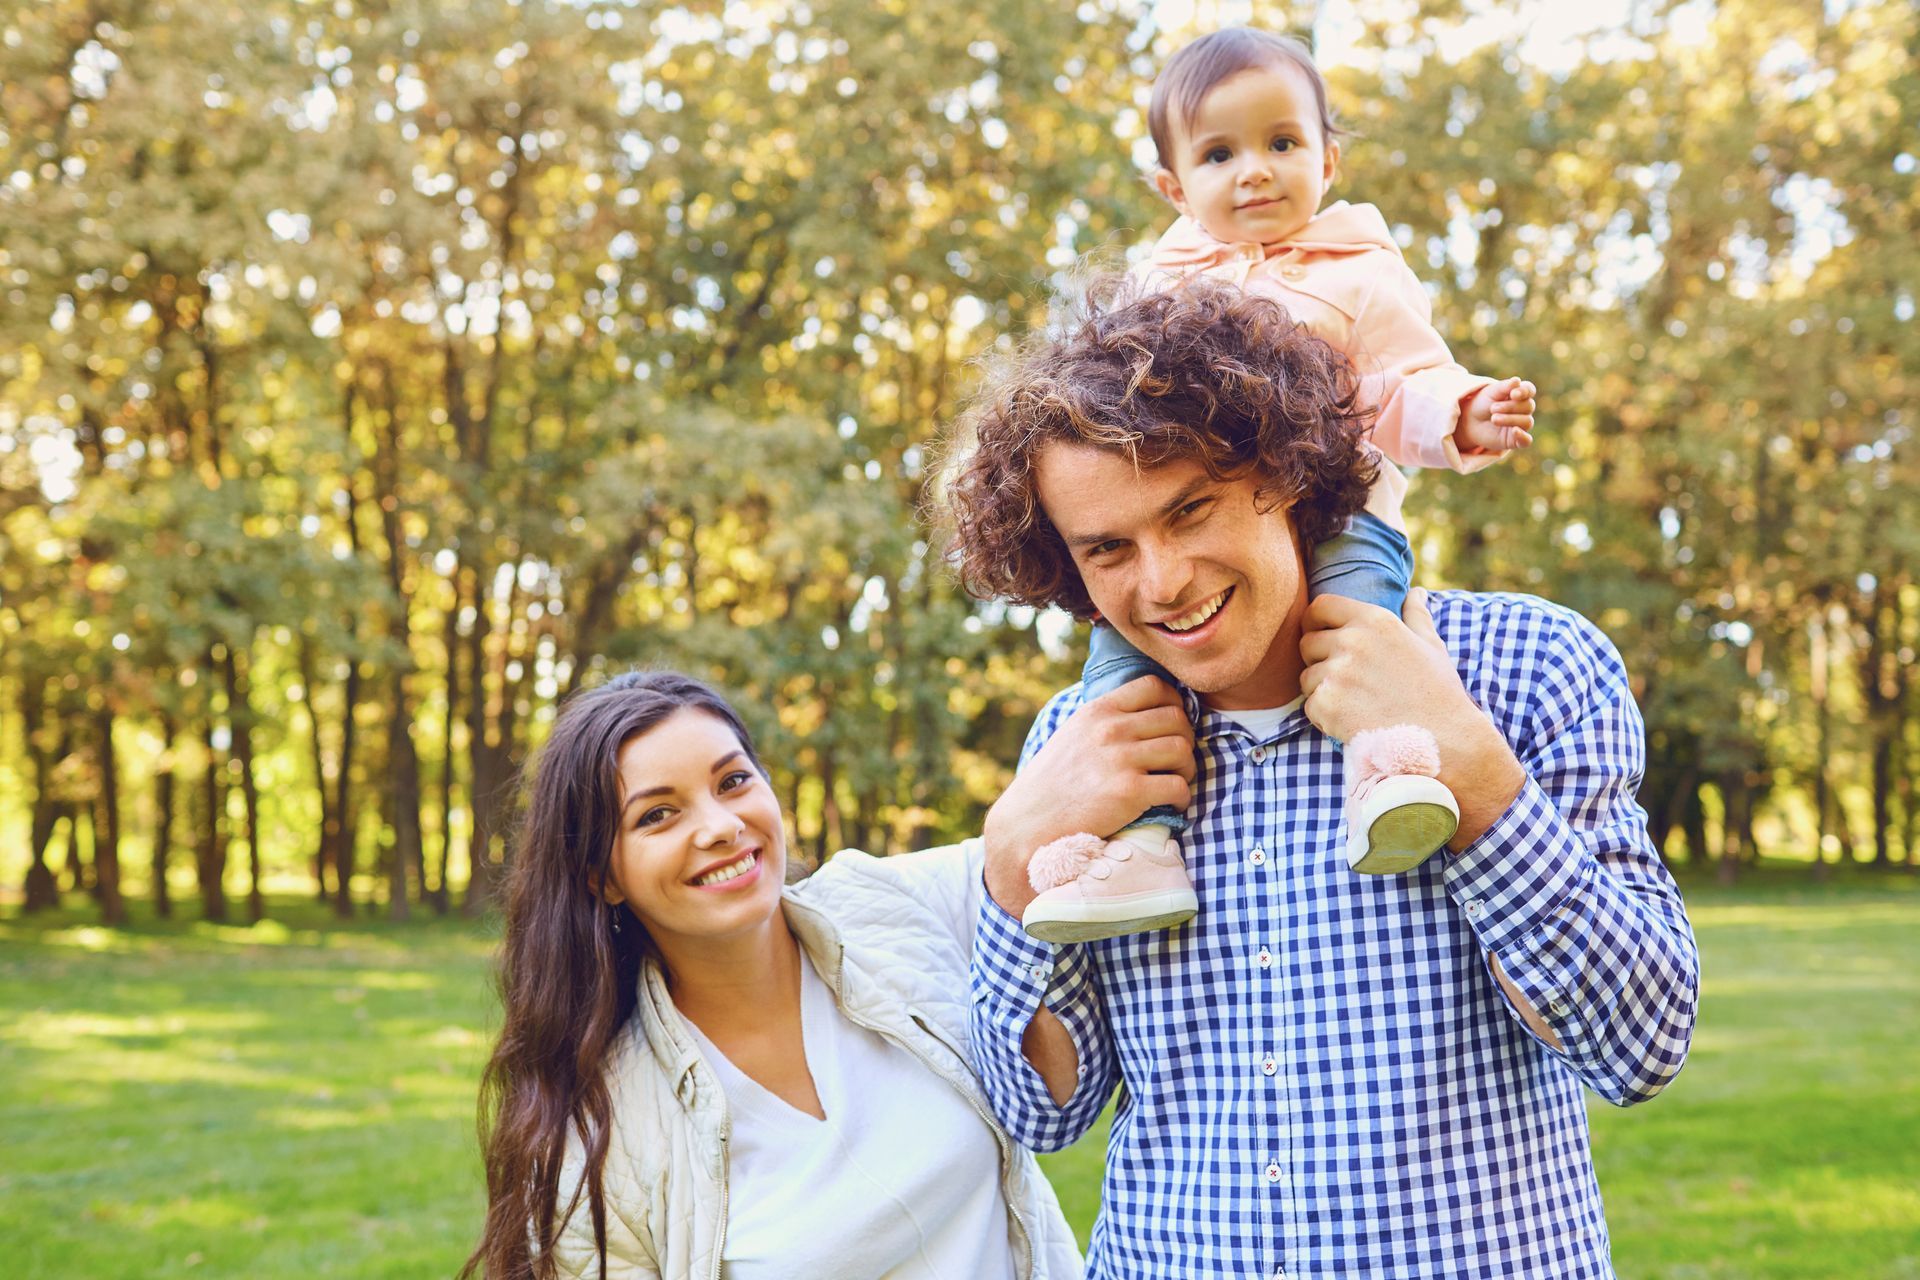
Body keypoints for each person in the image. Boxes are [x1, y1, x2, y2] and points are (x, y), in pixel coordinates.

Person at [939, 279, 1699, 1279]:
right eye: (1108, 548)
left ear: (1287, 474)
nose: (1160, 581)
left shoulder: (1526, 665)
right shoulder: (1077, 748)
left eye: (1190, 510)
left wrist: (1467, 768)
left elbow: (1639, 1043)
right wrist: (1009, 865)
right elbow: (1045, 1111)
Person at [1025, 28, 1542, 942]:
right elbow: (1108, 408)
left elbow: (1404, 381)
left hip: (1340, 512)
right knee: (1120, 668)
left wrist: (1460, 417)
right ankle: (1138, 846)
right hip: (1206, 535)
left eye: (1282, 143)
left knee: (1358, 625)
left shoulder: (1361, 275)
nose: (1255, 171)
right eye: (1220, 154)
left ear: (1329, 158)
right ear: (1175, 190)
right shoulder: (1157, 286)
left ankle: (1385, 771)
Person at [460, 671, 1083, 1280]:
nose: (722, 826)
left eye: (732, 781)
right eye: (657, 815)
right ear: (603, 876)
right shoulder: (599, 1143)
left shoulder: (897, 906)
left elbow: (1053, 829)